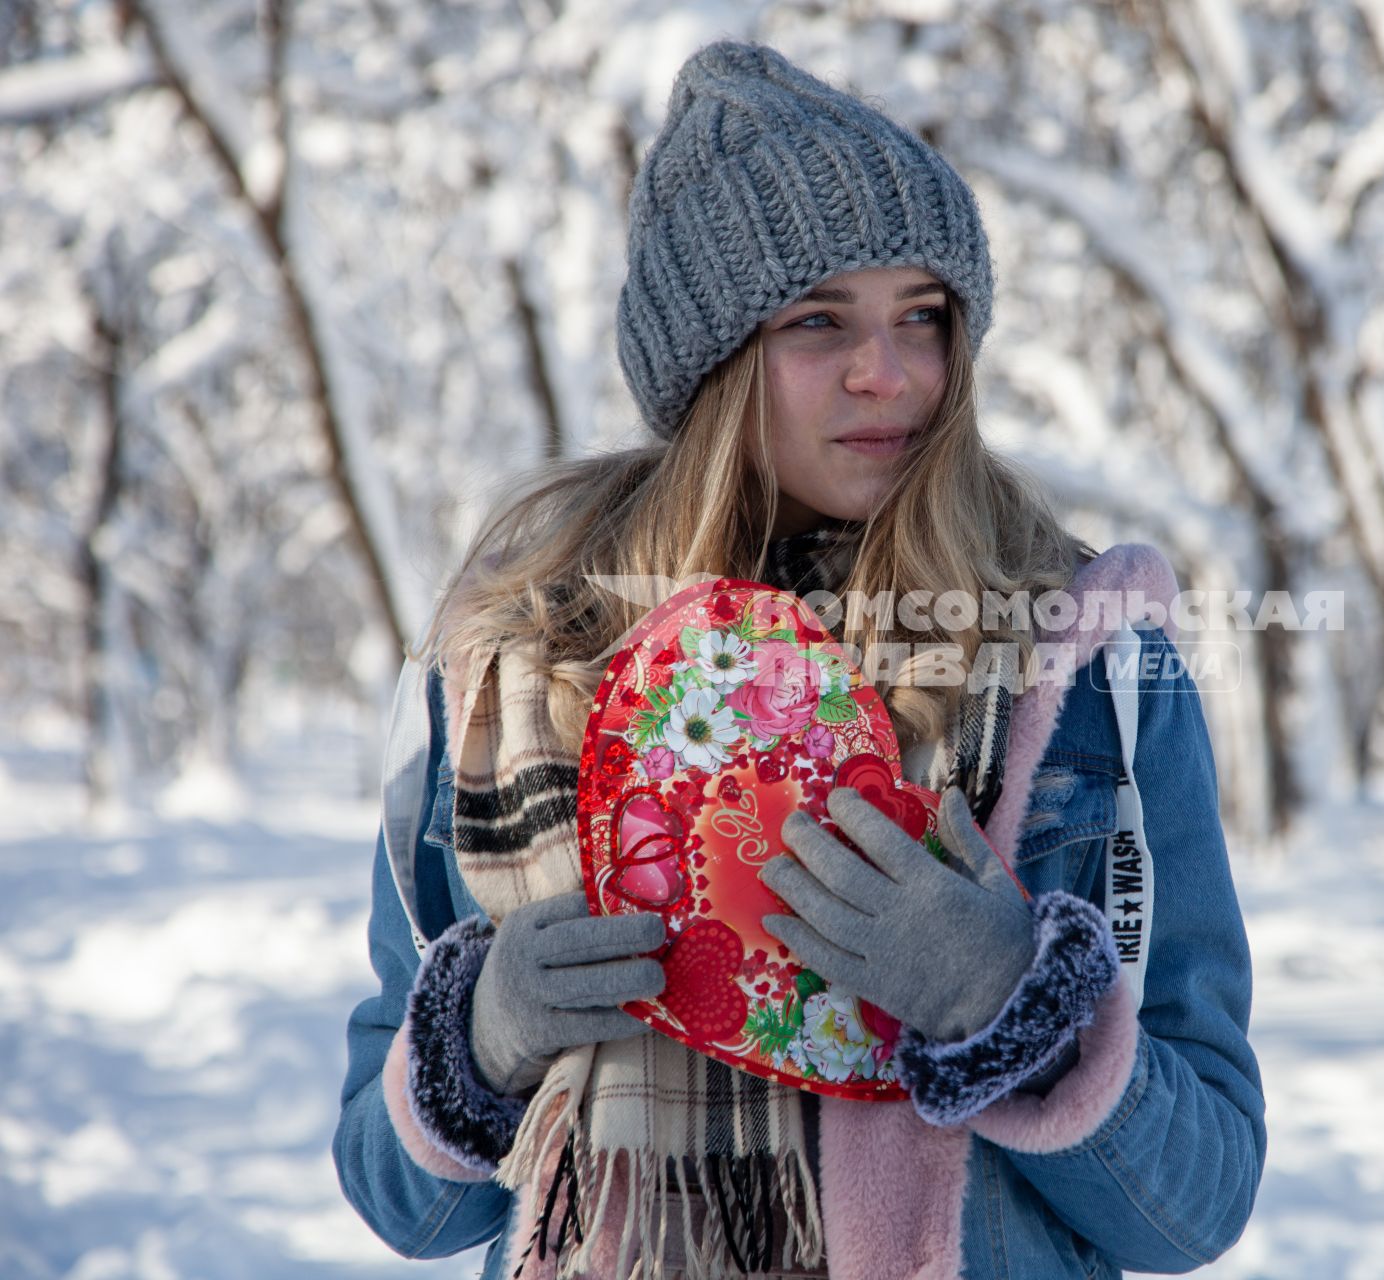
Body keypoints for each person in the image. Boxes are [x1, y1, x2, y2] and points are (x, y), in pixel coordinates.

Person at [332, 39, 1264, 1280]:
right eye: (818, 321)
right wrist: (484, 1033)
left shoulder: (1077, 665)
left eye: (920, 317)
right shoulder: (516, 664)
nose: (889, 374)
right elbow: (405, 1205)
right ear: (713, 362)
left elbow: (1193, 1206)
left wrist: (1010, 1005)